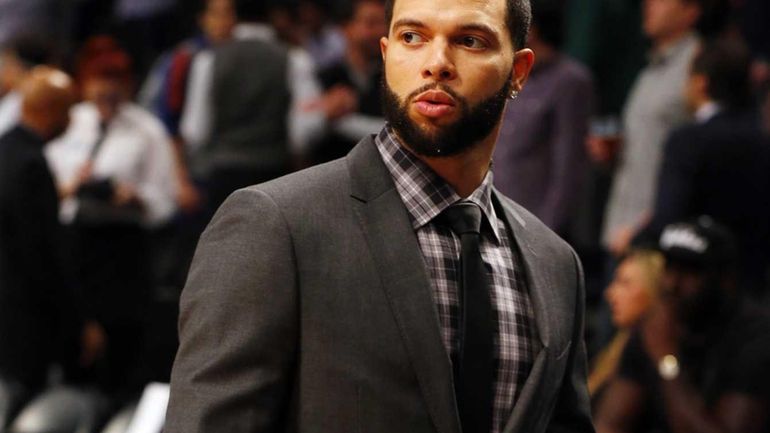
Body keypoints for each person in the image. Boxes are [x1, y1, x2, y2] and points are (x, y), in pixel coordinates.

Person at [165, 0, 594, 431]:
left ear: (518, 72)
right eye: (413, 37)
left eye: (469, 41)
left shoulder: (555, 264)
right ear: (387, 55)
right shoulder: (276, 226)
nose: (437, 63)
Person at [45, 39, 177, 403]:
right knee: (72, 342)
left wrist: (135, 197)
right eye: (100, 81)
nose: (107, 91)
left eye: (115, 81)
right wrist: (72, 185)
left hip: (122, 249)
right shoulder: (70, 123)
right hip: (76, 242)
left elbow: (166, 203)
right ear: (85, 83)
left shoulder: (147, 130)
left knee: (121, 347)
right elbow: (43, 186)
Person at [595, 217, 770, 433]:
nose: (672, 284)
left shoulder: (755, 337)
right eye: (669, 267)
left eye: (690, 271)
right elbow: (610, 424)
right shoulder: (656, 324)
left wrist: (666, 359)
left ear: (725, 279)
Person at [633, 38, 770, 296]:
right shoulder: (762, 140)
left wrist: (633, 240)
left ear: (700, 83)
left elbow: (668, 219)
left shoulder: (688, 140)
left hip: (693, 290)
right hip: (752, 287)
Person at [0, 66, 98, 421]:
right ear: (51, 111)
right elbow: (44, 254)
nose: (72, 119)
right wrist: (77, 323)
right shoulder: (30, 163)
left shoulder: (6, 149)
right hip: (25, 322)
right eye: (68, 109)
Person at [601, 0, 703, 258]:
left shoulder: (697, 66)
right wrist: (613, 151)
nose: (648, 5)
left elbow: (701, 161)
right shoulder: (650, 68)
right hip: (620, 228)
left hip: (655, 238)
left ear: (691, 11)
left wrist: (646, 228)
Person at [493, 0, 593, 237]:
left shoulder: (570, 81)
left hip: (534, 227)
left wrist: (545, 235)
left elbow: (569, 167)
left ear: (530, 29)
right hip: (493, 218)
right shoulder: (504, 73)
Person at [310, 0, 388, 164]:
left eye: (385, 23)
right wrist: (324, 115)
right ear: (345, 28)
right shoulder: (323, 77)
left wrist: (336, 119)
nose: (381, 31)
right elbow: (301, 135)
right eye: (371, 23)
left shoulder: (390, 78)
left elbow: (395, 134)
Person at [588, 249, 664, 401]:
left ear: (653, 290)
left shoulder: (653, 360)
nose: (610, 293)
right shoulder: (617, 347)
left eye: (625, 283)